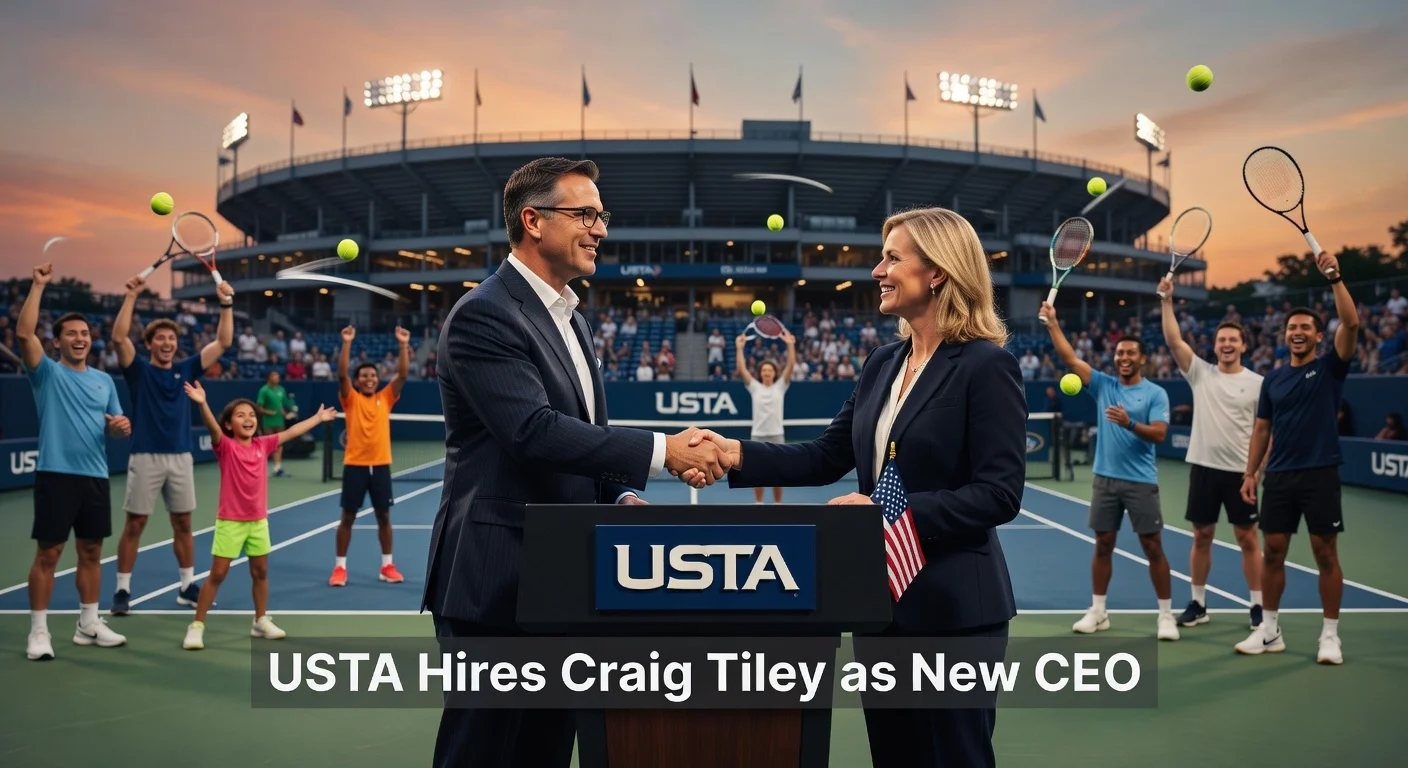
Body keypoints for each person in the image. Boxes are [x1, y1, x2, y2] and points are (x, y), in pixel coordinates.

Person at [423, 156, 733, 768]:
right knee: (483, 753)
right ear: (533, 221)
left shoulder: (573, 318)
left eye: (602, 214)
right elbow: (533, 433)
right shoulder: (485, 313)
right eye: (585, 213)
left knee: (546, 750)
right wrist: (661, 451)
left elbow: (581, 437)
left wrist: (616, 496)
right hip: (498, 580)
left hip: (562, 580)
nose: (601, 228)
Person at [687, 208, 1026, 768]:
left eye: (893, 257)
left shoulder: (986, 366)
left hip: (954, 613)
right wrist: (733, 454)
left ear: (938, 272)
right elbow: (824, 457)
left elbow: (997, 494)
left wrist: (883, 511)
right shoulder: (883, 363)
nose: (877, 270)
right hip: (882, 607)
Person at [1237, 251, 1358, 664]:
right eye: (1292, 327)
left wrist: (1335, 279)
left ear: (1319, 336)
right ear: (1284, 334)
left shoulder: (1330, 368)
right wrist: (1251, 472)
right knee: (1272, 552)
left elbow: (1353, 323)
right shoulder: (1273, 378)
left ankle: (1330, 637)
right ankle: (1269, 631)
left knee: (1326, 554)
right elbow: (1262, 429)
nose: (1298, 332)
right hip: (1281, 476)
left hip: (1320, 473)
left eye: (1306, 327)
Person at [1040, 300, 1177, 641]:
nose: (1124, 358)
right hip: (1105, 480)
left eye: (1131, 353)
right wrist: (1053, 323)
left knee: (1153, 547)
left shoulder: (1155, 393)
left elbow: (1159, 433)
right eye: (1119, 353)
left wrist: (1130, 423)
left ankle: (1165, 615)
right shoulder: (1103, 385)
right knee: (1103, 545)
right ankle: (1099, 612)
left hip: (1141, 481)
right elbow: (1070, 359)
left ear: (1143, 358)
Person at [18, 264, 132, 661]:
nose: (80, 339)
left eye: (85, 334)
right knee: (48, 555)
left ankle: (88, 623)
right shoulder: (46, 374)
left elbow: (116, 429)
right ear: (57, 341)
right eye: (72, 333)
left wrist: (120, 427)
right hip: (56, 475)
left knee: (91, 553)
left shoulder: (105, 381)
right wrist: (39, 285)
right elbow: (23, 334)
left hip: (95, 477)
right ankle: (38, 632)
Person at [110, 274, 235, 615]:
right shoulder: (137, 370)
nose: (166, 343)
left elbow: (223, 342)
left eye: (171, 338)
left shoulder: (187, 367)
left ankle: (186, 586)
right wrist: (132, 295)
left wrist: (226, 303)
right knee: (135, 524)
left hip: (180, 457)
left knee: (183, 524)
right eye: (159, 338)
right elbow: (119, 337)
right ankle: (122, 590)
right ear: (149, 344)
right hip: (145, 456)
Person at [180, 381, 334, 650]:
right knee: (217, 574)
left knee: (260, 572)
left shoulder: (263, 444)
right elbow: (213, 429)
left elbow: (293, 430)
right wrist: (202, 403)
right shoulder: (225, 446)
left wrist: (318, 418)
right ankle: (197, 626)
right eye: (240, 415)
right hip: (230, 522)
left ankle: (260, 620)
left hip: (258, 521)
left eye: (251, 415)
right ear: (229, 425)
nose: (248, 418)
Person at [1158, 277, 1264, 630]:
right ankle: (1198, 602)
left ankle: (1258, 606)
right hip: (1203, 469)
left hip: (1240, 473)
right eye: (1222, 340)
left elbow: (1267, 433)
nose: (1227, 344)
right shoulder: (1200, 373)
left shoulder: (1258, 384)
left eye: (1233, 340)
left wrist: (1257, 470)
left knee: (1247, 538)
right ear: (1215, 346)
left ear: (1244, 346)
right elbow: (1174, 340)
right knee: (1201, 536)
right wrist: (1167, 301)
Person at [330, 324, 410, 587]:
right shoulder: (350, 398)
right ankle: (340, 568)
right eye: (364, 376)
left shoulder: (386, 398)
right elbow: (342, 374)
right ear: (358, 380)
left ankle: (387, 565)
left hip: (381, 466)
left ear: (377, 379)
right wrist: (346, 343)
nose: (368, 379)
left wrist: (402, 344)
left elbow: (402, 373)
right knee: (347, 518)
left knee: (384, 517)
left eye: (372, 376)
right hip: (355, 466)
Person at [735, 327, 796, 503]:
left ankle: (778, 505)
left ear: (774, 373)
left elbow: (790, 365)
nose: (767, 372)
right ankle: (759, 504)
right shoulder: (754, 387)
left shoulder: (780, 386)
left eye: (770, 370)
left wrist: (790, 345)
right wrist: (740, 348)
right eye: (764, 370)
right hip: (758, 435)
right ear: (761, 374)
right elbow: (742, 368)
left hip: (777, 435)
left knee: (778, 473)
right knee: (757, 473)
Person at [255, 370, 296, 477]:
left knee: (279, 445)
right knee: (267, 446)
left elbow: (280, 406)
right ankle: (258, 468)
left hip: (279, 422)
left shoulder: (281, 390)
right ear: (269, 378)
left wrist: (285, 414)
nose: (277, 378)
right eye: (274, 376)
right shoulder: (264, 390)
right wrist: (269, 412)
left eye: (278, 376)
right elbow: (259, 408)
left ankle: (277, 468)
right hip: (268, 423)